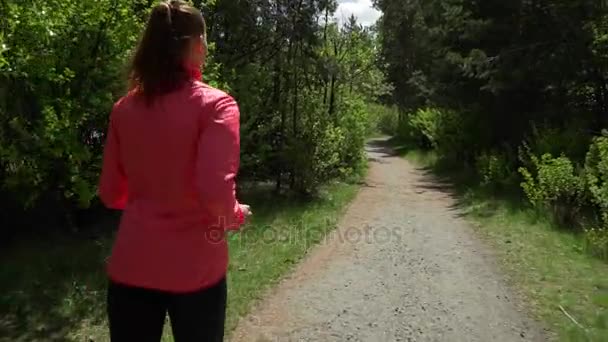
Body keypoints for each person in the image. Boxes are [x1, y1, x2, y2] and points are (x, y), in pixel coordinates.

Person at [98, 1, 251, 341]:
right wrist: (237, 215)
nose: (207, 49)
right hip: (196, 274)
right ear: (197, 44)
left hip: (131, 265)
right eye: (207, 40)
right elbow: (215, 195)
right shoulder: (217, 105)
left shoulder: (124, 109)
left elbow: (111, 193)